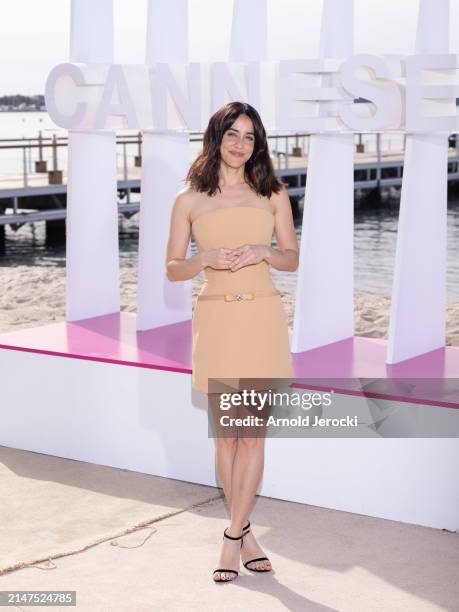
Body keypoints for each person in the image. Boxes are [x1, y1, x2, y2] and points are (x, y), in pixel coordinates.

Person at [165, 101, 299, 582]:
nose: (241, 144)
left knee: (253, 434)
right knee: (228, 436)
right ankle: (245, 533)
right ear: (216, 138)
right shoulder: (189, 200)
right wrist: (207, 260)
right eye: (232, 134)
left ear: (257, 143)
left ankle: (231, 535)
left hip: (262, 318)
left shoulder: (273, 193)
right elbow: (173, 267)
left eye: (249, 136)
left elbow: (291, 258)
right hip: (217, 321)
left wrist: (266, 250)